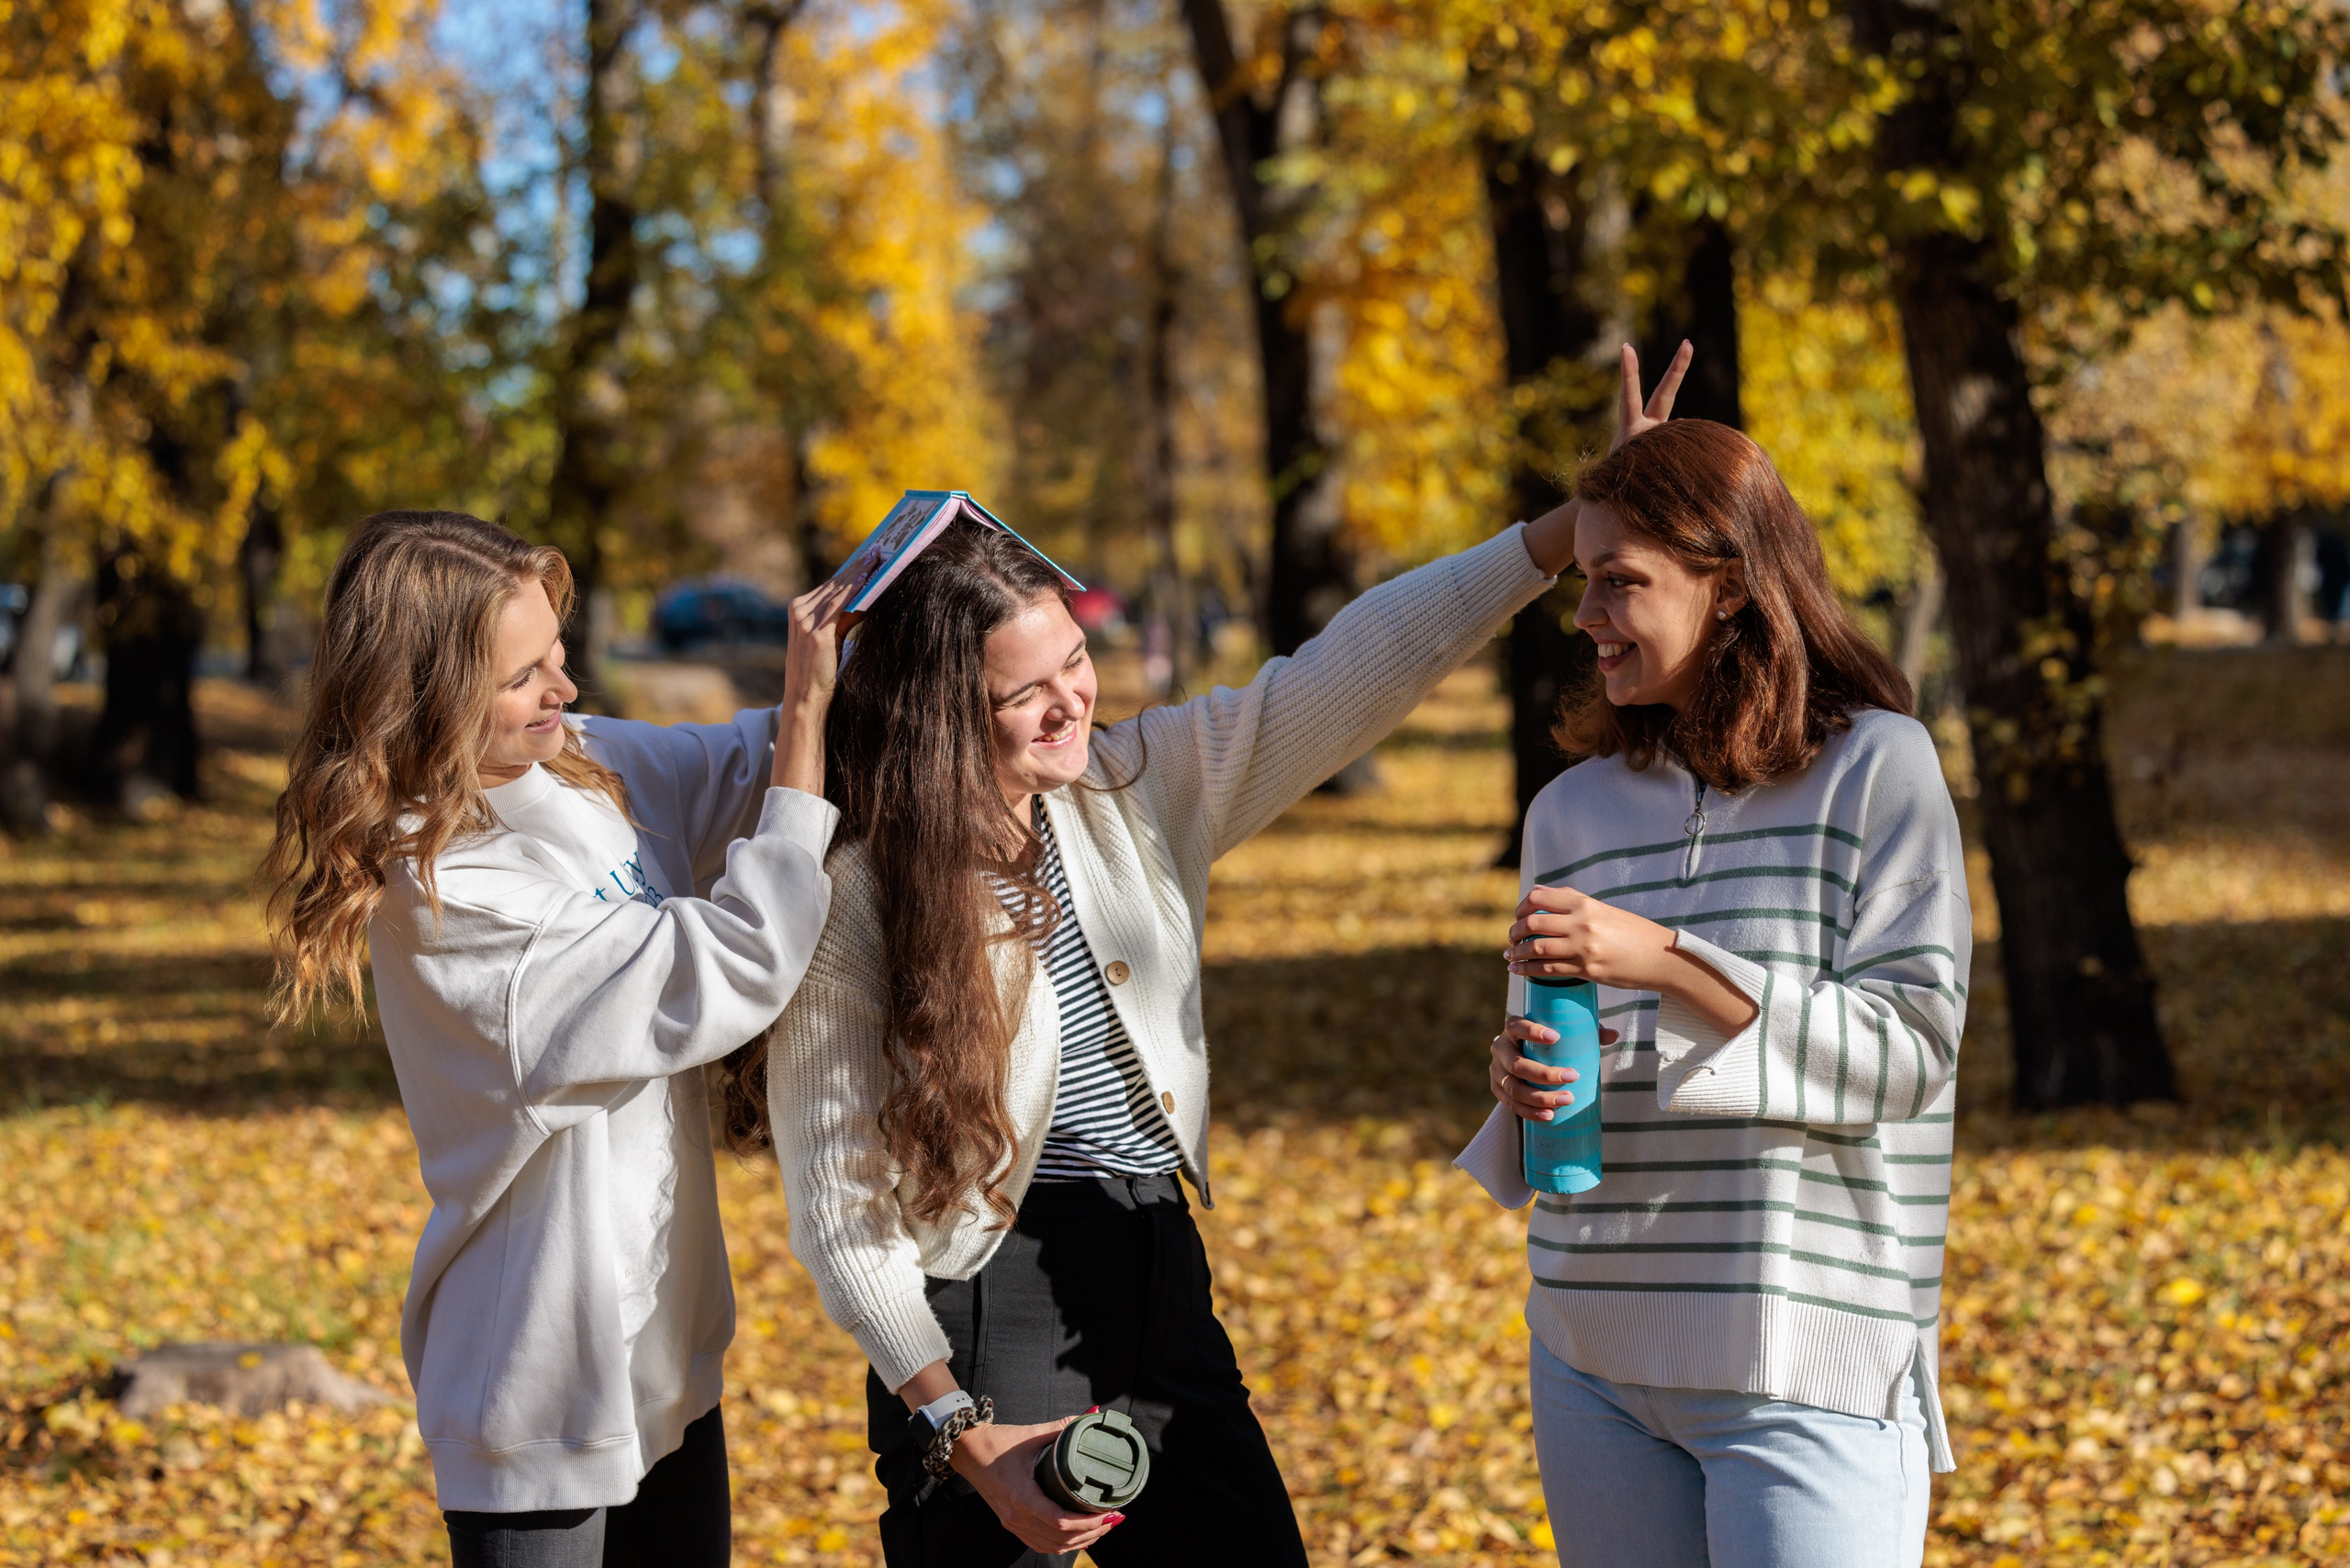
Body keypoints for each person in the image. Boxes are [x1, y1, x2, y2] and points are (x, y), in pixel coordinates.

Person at [722, 350, 1690, 1568]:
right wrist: (957, 1429)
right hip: (980, 1299)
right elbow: (837, 1203)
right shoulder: (856, 889)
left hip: (1152, 1262)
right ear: (939, 714)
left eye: (1075, 661)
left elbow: (1345, 671)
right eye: (1026, 693)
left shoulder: (1135, 787)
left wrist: (1564, 531)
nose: (1074, 701)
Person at [262, 510, 854, 1568]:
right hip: (541, 1402)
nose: (564, 691)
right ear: (427, 695)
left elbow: (735, 763)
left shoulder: (572, 768)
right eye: (524, 674)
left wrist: (879, 636)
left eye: (559, 655)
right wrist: (807, 711)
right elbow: (731, 964)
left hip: (662, 1369)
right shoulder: (446, 893)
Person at [1460, 398, 1969, 1568]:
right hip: (1591, 1354)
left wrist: (1664, 961)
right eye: (1581, 579)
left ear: (1728, 584)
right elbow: (1577, 1057)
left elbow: (1909, 1048)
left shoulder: (1878, 770)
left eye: (1618, 580)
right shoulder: (1567, 811)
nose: (1583, 614)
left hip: (1804, 1357)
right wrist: (1513, 1082)